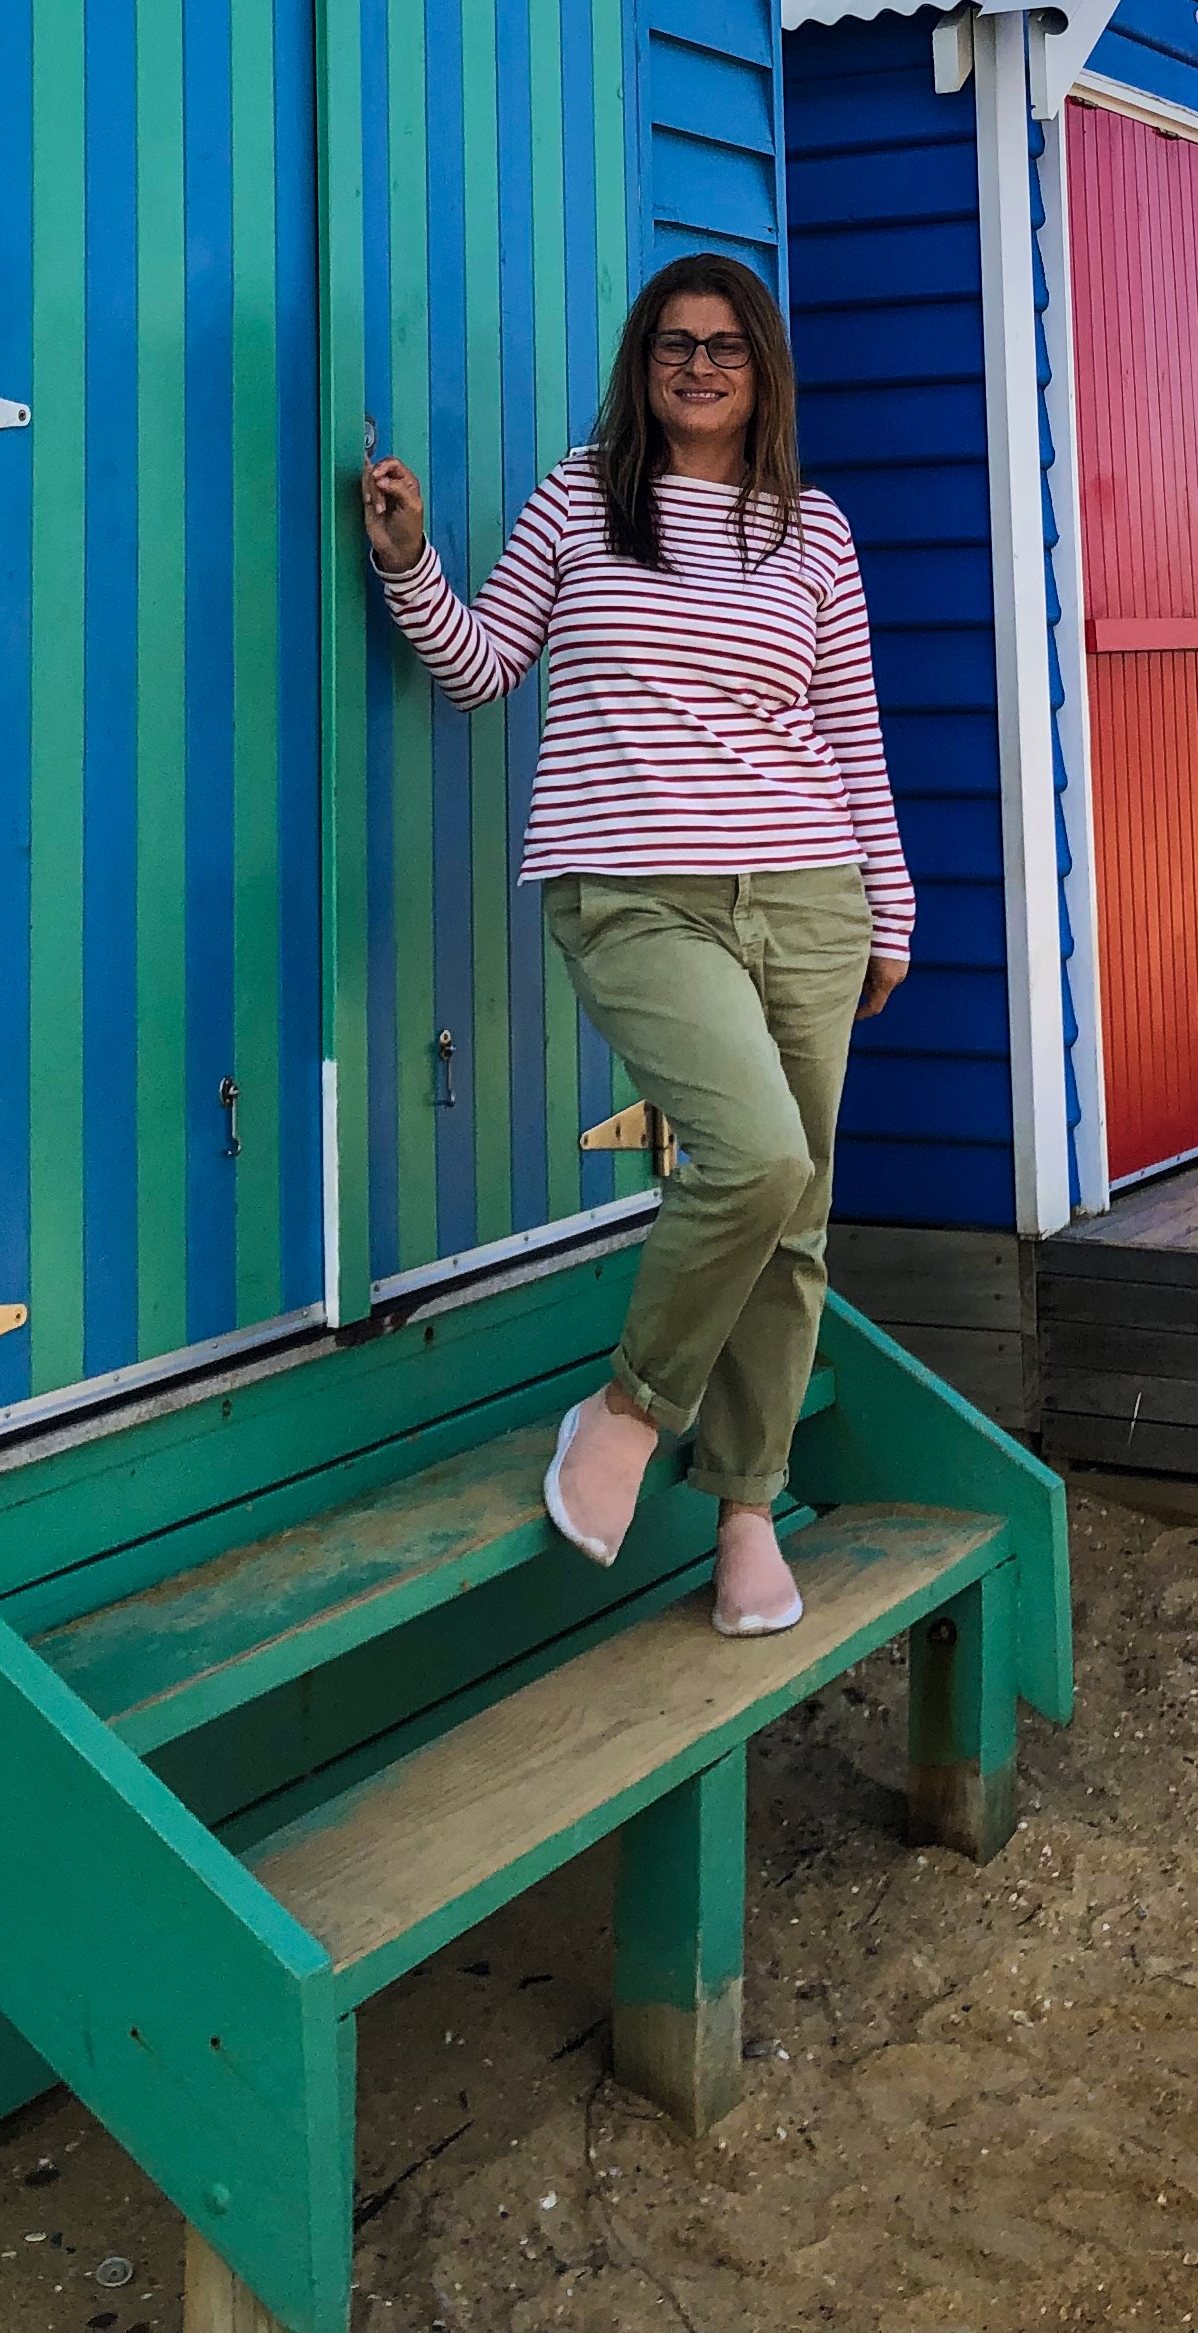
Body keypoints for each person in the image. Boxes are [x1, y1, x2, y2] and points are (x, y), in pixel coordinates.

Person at [361, 255, 911, 1639]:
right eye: (676, 344)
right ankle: (627, 1409)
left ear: (764, 368)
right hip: (634, 893)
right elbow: (485, 667)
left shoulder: (816, 530)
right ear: (643, 362)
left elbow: (849, 731)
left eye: (728, 346)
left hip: (807, 893)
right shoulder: (583, 493)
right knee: (757, 1157)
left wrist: (889, 910)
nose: (702, 366)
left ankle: (745, 1515)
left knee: (794, 1225)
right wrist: (407, 560)